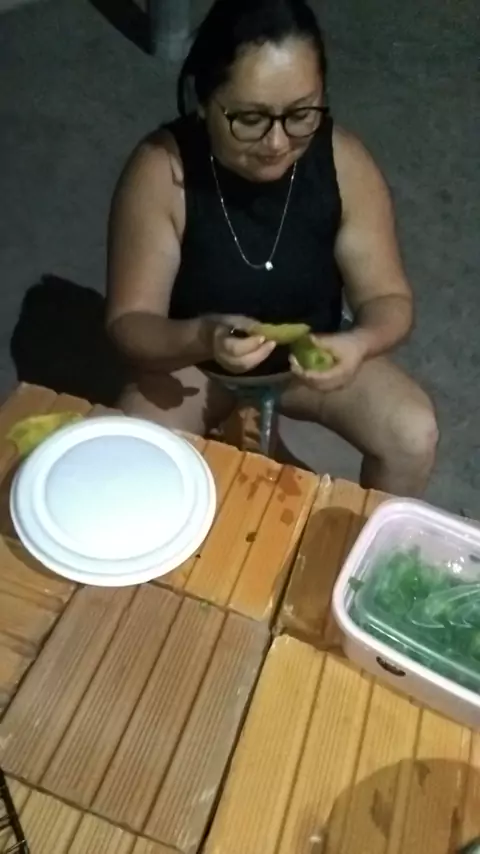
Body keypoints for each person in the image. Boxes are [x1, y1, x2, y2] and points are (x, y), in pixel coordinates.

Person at [106, 0, 438, 496]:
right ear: (203, 100)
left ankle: (370, 540)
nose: (278, 142)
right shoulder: (161, 171)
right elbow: (129, 323)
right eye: (250, 118)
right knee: (133, 452)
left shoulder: (344, 163)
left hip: (308, 357)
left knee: (412, 433)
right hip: (195, 364)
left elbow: (388, 298)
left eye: (300, 114)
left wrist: (359, 343)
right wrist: (203, 337)